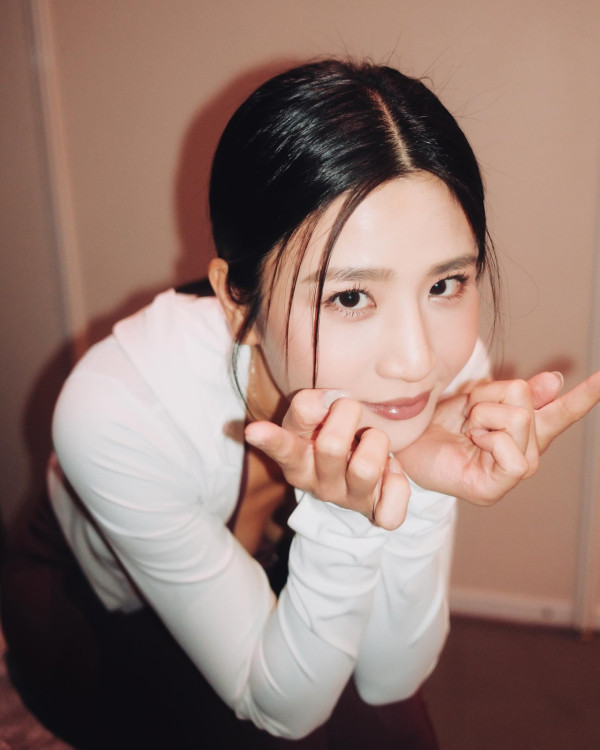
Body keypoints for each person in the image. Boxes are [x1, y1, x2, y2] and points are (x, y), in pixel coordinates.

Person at [2, 59, 599, 750]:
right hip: (102, 604)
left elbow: (390, 678)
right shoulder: (120, 410)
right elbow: (282, 710)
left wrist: (423, 491)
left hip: (280, 550)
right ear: (236, 300)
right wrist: (346, 518)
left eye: (445, 284)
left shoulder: (447, 369)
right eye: (350, 296)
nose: (417, 360)